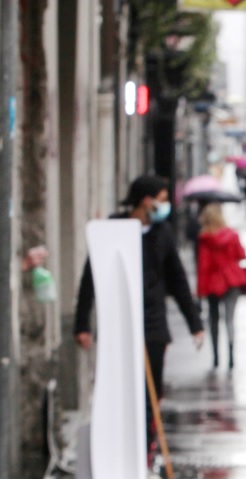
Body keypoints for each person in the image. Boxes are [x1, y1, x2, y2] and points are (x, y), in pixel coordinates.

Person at [74, 174, 205, 460]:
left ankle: (146, 450)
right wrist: (82, 323)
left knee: (150, 393)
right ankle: (119, 451)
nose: (165, 205)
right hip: (119, 322)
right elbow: (90, 278)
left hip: (154, 325)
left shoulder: (163, 234)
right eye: (161, 199)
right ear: (146, 201)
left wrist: (195, 323)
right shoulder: (113, 231)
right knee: (121, 390)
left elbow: (178, 280)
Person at [195, 203, 246, 370]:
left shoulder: (205, 239)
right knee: (230, 319)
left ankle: (216, 357)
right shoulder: (232, 235)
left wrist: (199, 290)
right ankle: (231, 356)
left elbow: (203, 266)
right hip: (231, 280)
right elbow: (242, 255)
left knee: (213, 319)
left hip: (213, 282)